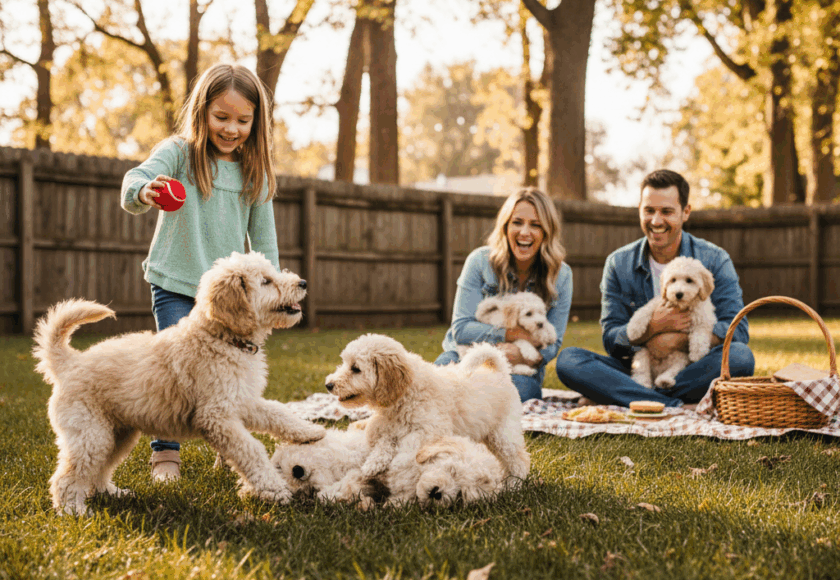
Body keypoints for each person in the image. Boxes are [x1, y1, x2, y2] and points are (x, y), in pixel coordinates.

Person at [121, 63, 281, 481]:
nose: (231, 128)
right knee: (174, 373)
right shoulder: (179, 153)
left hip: (229, 297)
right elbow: (135, 179)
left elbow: (264, 243)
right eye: (221, 117)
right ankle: (165, 455)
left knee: (233, 370)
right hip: (176, 283)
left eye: (243, 120)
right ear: (202, 112)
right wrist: (144, 190)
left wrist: (276, 292)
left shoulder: (255, 171)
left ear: (256, 121)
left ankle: (228, 444)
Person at [554, 169, 755, 408]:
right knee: (569, 360)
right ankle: (672, 403)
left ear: (685, 212)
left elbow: (738, 329)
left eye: (666, 212)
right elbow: (611, 339)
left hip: (690, 366)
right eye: (649, 210)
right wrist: (652, 330)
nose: (656, 221)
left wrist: (677, 340)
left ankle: (626, 395)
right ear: (639, 209)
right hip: (638, 366)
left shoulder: (715, 259)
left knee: (740, 357)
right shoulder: (618, 263)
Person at [434, 188, 573, 402]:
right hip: (464, 355)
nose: (525, 232)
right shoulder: (479, 262)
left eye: (535, 225)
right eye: (517, 222)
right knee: (432, 389)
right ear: (505, 226)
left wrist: (525, 355)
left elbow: (553, 343)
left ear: (547, 231)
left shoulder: (561, 275)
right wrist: (514, 335)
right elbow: (461, 330)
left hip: (519, 365)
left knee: (516, 395)